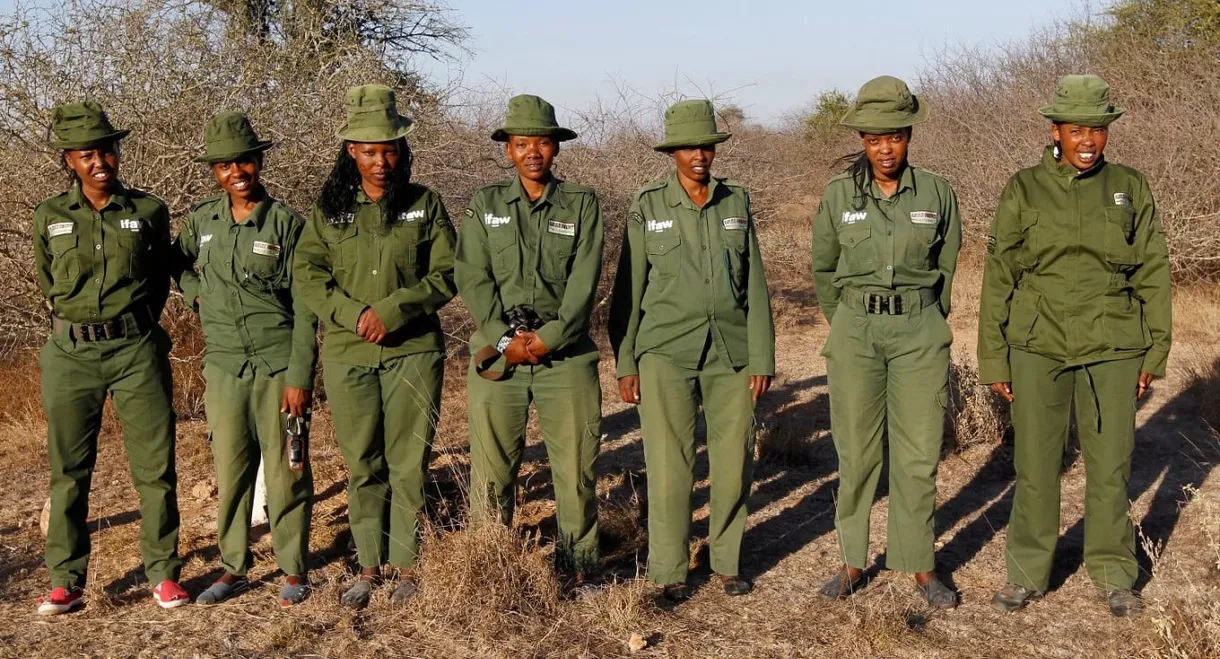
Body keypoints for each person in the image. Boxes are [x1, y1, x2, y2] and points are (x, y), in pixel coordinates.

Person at [978, 74, 1171, 617]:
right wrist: (994, 355)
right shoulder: (1023, 188)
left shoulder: (1130, 186)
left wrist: (1155, 352)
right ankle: (1027, 573)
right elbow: (1000, 276)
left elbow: (1153, 270)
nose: (1088, 140)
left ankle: (1113, 573)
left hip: (1113, 344)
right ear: (1054, 129)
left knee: (1111, 464)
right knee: (1036, 465)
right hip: (1037, 343)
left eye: (1099, 130)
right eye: (1077, 129)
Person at [295, 85, 457, 608]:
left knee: (409, 460)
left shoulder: (424, 203)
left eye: (390, 149)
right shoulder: (329, 210)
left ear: (403, 149)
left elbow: (449, 272)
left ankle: (407, 561)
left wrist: (393, 311)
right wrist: (354, 315)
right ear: (351, 152)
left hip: (413, 350)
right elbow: (309, 275)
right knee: (364, 461)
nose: (381, 160)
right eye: (369, 150)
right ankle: (368, 563)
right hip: (348, 355)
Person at [609, 99, 775, 604]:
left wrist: (762, 356)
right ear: (672, 152)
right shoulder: (648, 206)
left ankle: (726, 562)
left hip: (731, 350)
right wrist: (627, 360)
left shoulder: (736, 203)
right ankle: (669, 569)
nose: (698, 155)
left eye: (705, 145)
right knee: (669, 463)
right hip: (664, 350)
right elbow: (628, 291)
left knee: (733, 460)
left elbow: (756, 285)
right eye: (688, 147)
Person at [811, 76, 962, 609]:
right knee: (855, 453)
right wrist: (850, 319)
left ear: (909, 136)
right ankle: (853, 560)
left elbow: (946, 264)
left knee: (919, 454)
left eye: (894, 137)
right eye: (874, 139)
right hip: (856, 332)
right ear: (862, 141)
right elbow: (824, 268)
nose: (884, 148)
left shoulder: (937, 191)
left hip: (919, 332)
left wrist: (923, 318)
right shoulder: (838, 194)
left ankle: (919, 563)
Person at [33, 101, 187, 614]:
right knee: (69, 470)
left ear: (118, 151)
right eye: (86, 153)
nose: (99, 160)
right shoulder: (49, 215)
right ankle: (66, 580)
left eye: (107, 149)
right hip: (71, 353)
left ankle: (163, 573)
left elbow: (161, 279)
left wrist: (133, 326)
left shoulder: (149, 211)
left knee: (155, 467)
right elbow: (47, 282)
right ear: (69, 161)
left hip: (135, 349)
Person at [455, 94, 604, 581]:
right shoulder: (486, 204)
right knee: (492, 472)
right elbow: (472, 278)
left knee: (576, 469)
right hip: (501, 358)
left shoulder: (582, 205)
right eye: (522, 143)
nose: (533, 151)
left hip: (565, 357)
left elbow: (585, 283)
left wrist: (548, 339)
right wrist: (505, 340)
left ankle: (577, 566)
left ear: (556, 148)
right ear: (508, 151)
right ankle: (491, 568)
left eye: (542, 142)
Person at [172, 112, 319, 607]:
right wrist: (194, 293)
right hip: (224, 367)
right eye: (225, 165)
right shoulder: (201, 221)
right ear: (215, 171)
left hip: (277, 366)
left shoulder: (286, 224)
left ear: (259, 163)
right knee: (232, 468)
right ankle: (234, 566)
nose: (237, 172)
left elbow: (306, 309)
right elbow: (178, 262)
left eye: (246, 162)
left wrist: (300, 375)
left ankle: (294, 567)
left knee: (286, 469)